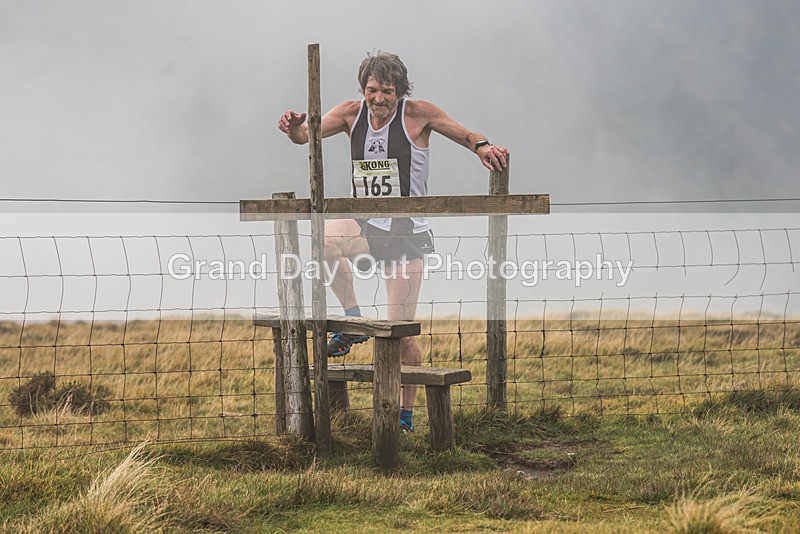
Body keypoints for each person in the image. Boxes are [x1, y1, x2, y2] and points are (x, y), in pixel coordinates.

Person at [278, 51, 509, 433]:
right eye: (372, 90)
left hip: (405, 234)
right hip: (366, 225)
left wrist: (485, 147)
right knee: (324, 242)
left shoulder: (419, 114)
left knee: (399, 332)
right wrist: (292, 127)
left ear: (400, 91)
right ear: (362, 89)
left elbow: (466, 135)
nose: (379, 99)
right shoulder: (351, 113)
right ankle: (352, 320)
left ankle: (404, 416)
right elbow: (305, 137)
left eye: (387, 91)